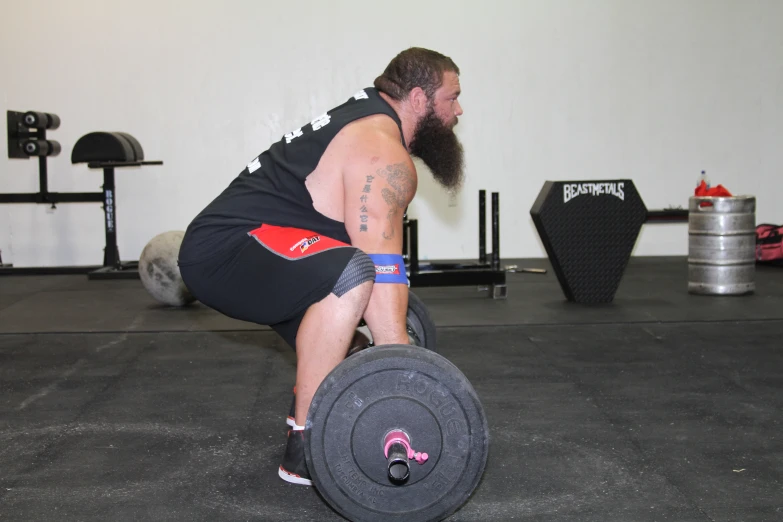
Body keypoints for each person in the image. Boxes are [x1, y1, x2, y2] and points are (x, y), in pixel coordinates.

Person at [177, 47, 465, 486]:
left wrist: (379, 351)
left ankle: (330, 396)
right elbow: (380, 270)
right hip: (226, 249)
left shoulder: (367, 120)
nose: (458, 110)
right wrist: (406, 383)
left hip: (267, 248)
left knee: (349, 329)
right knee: (353, 274)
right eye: (452, 97)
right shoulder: (382, 154)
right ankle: (306, 444)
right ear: (421, 100)